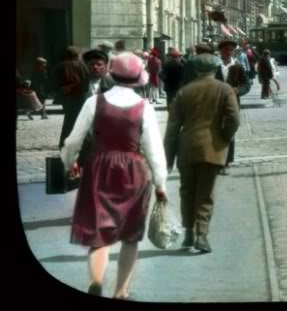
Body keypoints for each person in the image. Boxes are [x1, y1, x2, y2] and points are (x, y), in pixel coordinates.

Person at [62, 52, 168, 298]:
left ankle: (97, 281)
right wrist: (161, 183)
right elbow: (154, 150)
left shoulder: (94, 102)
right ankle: (121, 291)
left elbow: (72, 141)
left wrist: (70, 163)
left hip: (100, 167)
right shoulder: (144, 107)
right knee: (130, 236)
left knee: (99, 234)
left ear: (112, 73)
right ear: (137, 79)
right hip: (133, 171)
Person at [164, 49, 240, 253]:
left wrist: (168, 157)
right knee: (205, 194)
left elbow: (172, 128)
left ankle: (188, 233)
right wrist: (223, 137)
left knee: (186, 191)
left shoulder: (183, 92)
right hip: (212, 148)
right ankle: (202, 235)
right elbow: (234, 119)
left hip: (186, 147)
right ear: (215, 68)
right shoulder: (225, 90)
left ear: (196, 70)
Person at [213, 39, 247, 174]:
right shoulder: (215, 66)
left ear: (233, 52)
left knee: (230, 132)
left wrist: (237, 90)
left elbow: (246, 85)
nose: (228, 52)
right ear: (220, 51)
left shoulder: (238, 66)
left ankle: (226, 162)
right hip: (216, 104)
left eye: (230, 50)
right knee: (216, 132)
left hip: (233, 105)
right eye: (225, 50)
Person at [54, 46, 91, 147]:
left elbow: (54, 84)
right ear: (77, 54)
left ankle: (64, 143)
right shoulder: (82, 66)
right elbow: (86, 82)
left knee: (69, 120)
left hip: (67, 97)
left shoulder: (60, 66)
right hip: (81, 97)